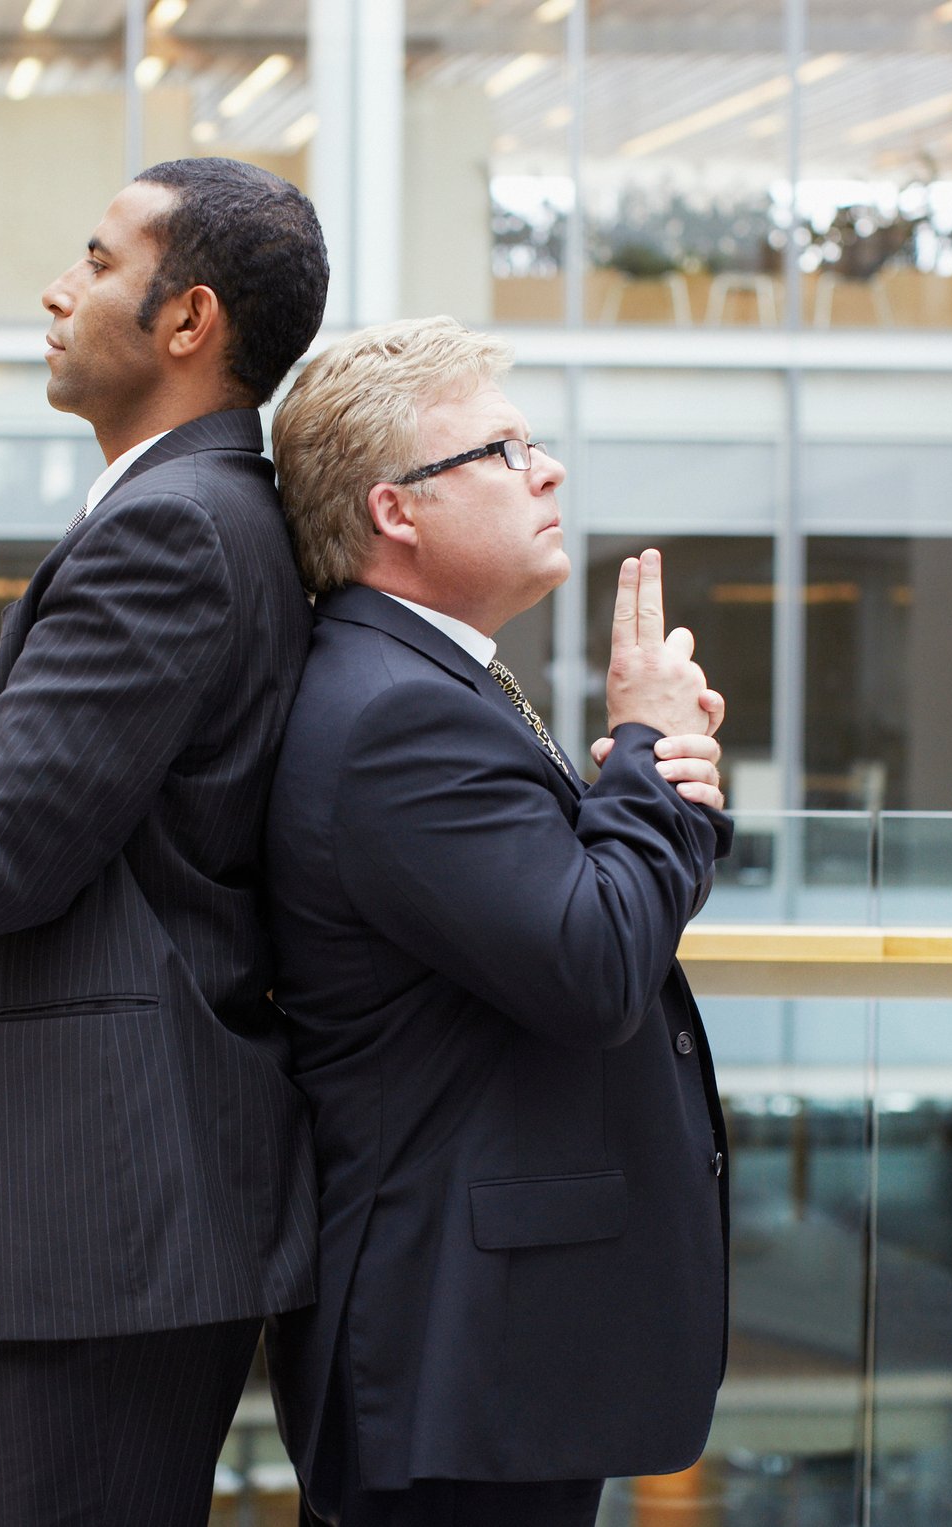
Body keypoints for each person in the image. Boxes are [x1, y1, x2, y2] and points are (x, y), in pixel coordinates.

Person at [0, 158, 329, 1526]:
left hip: (109, 1211)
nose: (57, 287)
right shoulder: (187, 511)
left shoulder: (176, 525)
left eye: (98, 261)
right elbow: (88, 807)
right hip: (103, 1212)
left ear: (187, 319)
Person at [263, 317, 734, 1527]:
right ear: (394, 511)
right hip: (452, 1351)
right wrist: (648, 756)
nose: (547, 469)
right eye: (502, 449)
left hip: (472, 1340)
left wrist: (644, 772)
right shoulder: (395, 716)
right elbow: (593, 964)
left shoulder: (425, 686)